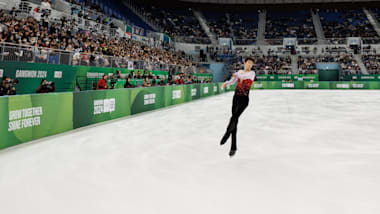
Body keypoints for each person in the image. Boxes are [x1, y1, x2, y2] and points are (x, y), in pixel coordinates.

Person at [220, 57, 256, 157]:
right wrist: (226, 83)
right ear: (244, 63)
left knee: (234, 117)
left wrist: (238, 75)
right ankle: (233, 147)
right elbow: (232, 81)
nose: (250, 65)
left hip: (244, 100)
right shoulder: (239, 72)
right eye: (248, 63)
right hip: (235, 98)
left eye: (251, 64)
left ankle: (227, 134)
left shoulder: (252, 73)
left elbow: (245, 78)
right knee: (234, 122)